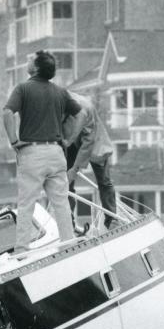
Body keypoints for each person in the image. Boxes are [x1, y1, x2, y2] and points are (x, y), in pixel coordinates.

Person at [3, 50, 82, 250]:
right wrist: (70, 139)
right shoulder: (60, 92)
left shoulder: (22, 89)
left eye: (30, 60)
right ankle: (68, 243)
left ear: (35, 67)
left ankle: (21, 249)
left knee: (27, 203)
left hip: (32, 152)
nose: (27, 61)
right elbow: (80, 114)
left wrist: (13, 141)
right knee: (61, 203)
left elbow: (7, 112)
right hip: (56, 152)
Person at [64, 91, 116, 231]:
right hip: (69, 140)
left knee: (104, 181)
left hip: (93, 139)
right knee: (65, 182)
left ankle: (111, 220)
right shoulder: (55, 104)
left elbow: (88, 143)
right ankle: (68, 223)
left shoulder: (85, 110)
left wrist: (75, 169)